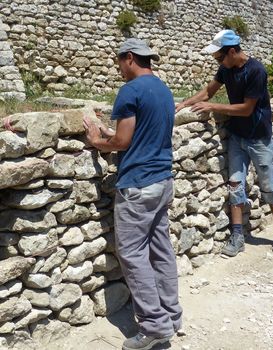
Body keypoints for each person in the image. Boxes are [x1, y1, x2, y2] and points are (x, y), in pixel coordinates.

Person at [83, 38, 182, 350]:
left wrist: (98, 140)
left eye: (119, 61)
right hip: (162, 180)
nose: (118, 68)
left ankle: (154, 327)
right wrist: (114, 134)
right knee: (161, 249)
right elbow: (144, 133)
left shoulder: (130, 90)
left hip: (138, 184)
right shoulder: (163, 89)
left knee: (133, 254)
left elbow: (123, 142)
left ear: (129, 58)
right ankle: (171, 315)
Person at [176, 29, 273, 257]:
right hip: (237, 137)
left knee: (268, 186)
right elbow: (209, 91)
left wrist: (214, 107)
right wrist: (183, 104)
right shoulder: (226, 68)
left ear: (233, 51)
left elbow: (247, 109)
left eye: (219, 57)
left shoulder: (256, 71)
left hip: (259, 138)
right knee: (235, 185)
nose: (217, 62)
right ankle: (237, 236)